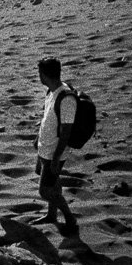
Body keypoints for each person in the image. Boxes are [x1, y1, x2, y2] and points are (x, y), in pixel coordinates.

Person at [32, 57, 78, 231]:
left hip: (54, 151)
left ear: (44, 75)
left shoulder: (66, 99)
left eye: (39, 73)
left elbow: (66, 130)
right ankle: (51, 215)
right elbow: (46, 118)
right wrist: (38, 139)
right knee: (49, 179)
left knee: (45, 190)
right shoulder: (51, 92)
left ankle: (69, 218)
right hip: (45, 147)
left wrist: (57, 157)